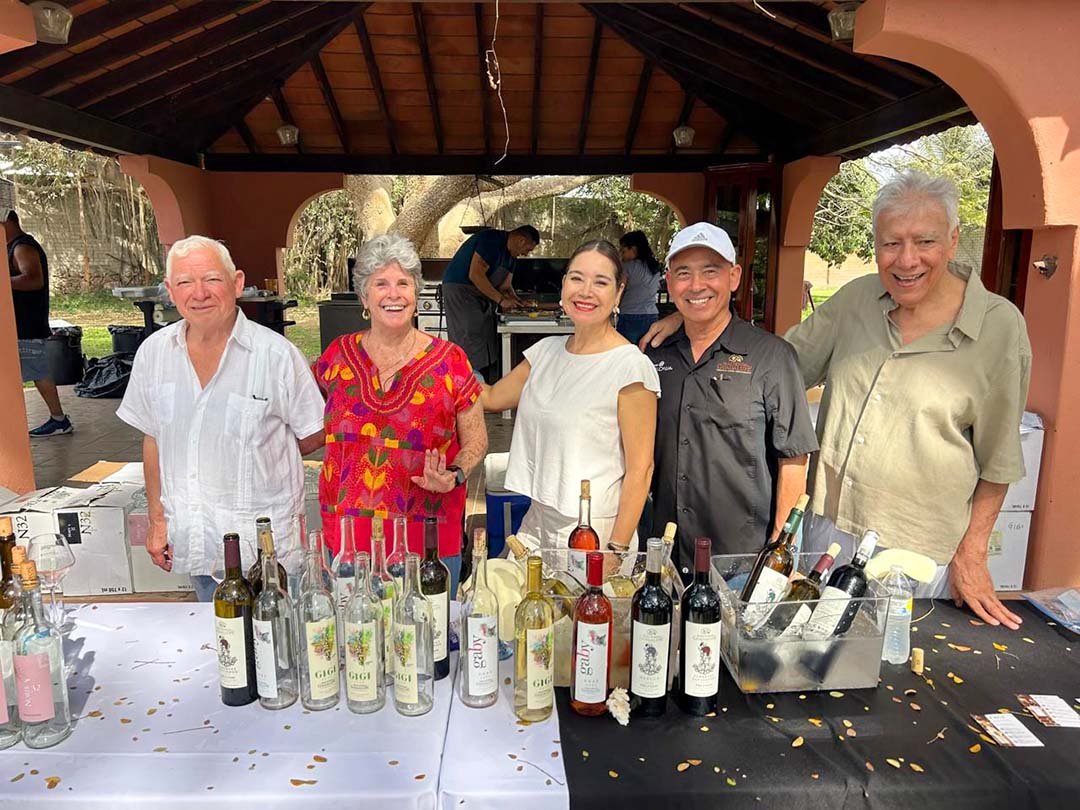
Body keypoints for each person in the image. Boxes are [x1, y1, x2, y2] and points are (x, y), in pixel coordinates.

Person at [641, 172, 1031, 629]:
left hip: (921, 549)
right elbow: (771, 367)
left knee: (904, 669)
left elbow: (999, 459)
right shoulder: (857, 300)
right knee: (811, 661)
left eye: (924, 241)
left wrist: (973, 554)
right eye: (890, 244)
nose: (907, 260)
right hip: (826, 534)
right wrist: (690, 325)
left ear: (952, 239)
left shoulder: (999, 328)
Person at [117, 236, 326, 602]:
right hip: (198, 541)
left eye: (212, 279)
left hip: (266, 552)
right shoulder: (154, 354)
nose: (199, 293)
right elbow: (153, 438)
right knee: (221, 648)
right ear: (170, 290)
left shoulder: (276, 356)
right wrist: (158, 519)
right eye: (184, 282)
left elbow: (316, 429)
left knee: (276, 651)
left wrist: (265, 452)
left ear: (237, 283)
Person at [646, 222, 818, 583]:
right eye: (683, 273)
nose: (696, 285)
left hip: (741, 564)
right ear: (668, 281)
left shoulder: (771, 357)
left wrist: (780, 550)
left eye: (711, 271)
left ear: (734, 276)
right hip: (665, 559)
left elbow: (794, 458)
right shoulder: (654, 355)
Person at [316, 234, 487, 595]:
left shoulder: (451, 361)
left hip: (426, 539)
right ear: (364, 297)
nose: (393, 294)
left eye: (403, 283)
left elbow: (477, 441)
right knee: (359, 644)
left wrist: (455, 475)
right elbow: (310, 424)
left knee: (428, 643)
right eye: (381, 284)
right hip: (350, 538)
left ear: (416, 294)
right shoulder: (336, 357)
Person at [482, 240, 659, 555]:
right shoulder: (545, 352)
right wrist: (431, 362)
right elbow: (491, 397)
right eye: (577, 278)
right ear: (563, 285)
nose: (586, 291)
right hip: (536, 524)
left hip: (595, 535)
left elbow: (641, 469)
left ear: (618, 293)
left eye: (601, 282)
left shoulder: (631, 367)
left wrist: (615, 552)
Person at [4, 210, 73, 437]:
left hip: (27, 324)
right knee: (34, 371)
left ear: (7, 223)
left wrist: (3, 281)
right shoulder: (12, 247)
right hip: (20, 324)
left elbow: (34, 280)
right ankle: (58, 419)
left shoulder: (22, 247)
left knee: (37, 371)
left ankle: (59, 419)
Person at [442, 225, 540, 382]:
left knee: (485, 340)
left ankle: (485, 385)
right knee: (469, 337)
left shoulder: (512, 257)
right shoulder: (492, 240)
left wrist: (519, 302)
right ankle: (465, 384)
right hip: (462, 293)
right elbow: (476, 274)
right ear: (521, 240)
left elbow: (506, 287)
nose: (525, 254)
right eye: (527, 249)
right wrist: (501, 300)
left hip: (482, 297)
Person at [615, 230, 662, 345]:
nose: (621, 255)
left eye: (623, 251)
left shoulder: (627, 267)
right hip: (651, 315)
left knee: (626, 353)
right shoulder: (655, 268)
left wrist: (614, 305)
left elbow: (620, 289)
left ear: (634, 249)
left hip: (630, 316)